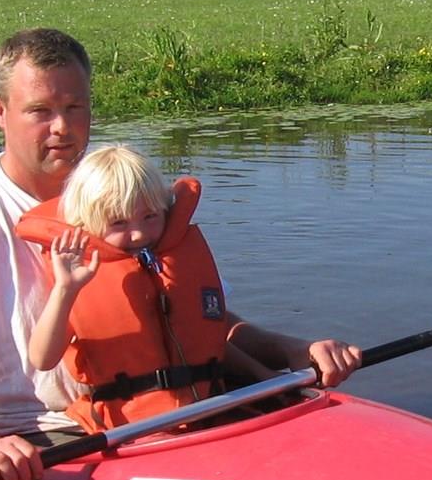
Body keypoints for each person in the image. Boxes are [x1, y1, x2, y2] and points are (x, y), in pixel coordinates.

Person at [0, 27, 360, 480]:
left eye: (75, 107)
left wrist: (291, 350)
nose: (61, 128)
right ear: (0, 111)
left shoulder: (130, 199)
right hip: (50, 432)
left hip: (181, 408)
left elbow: (199, 322)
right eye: (40, 111)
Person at [20, 144, 281, 432]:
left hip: (210, 408)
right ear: (87, 225)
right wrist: (65, 291)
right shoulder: (78, 277)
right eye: (118, 222)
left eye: (150, 216)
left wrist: (266, 377)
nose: (139, 233)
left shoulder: (176, 258)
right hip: (129, 428)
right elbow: (42, 359)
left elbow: (210, 344)